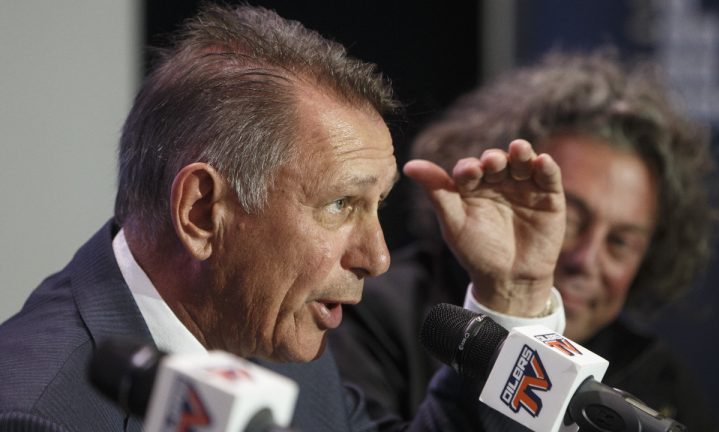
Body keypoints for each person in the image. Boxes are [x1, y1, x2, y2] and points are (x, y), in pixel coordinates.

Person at [0, 4, 569, 431]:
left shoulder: (269, 338)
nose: (377, 258)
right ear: (202, 212)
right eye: (341, 205)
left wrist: (514, 294)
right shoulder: (36, 410)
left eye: (377, 207)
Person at [330, 50, 719, 430]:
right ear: (497, 188)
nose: (586, 259)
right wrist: (513, 298)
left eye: (620, 242)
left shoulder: (657, 378)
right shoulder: (375, 316)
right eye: (569, 220)